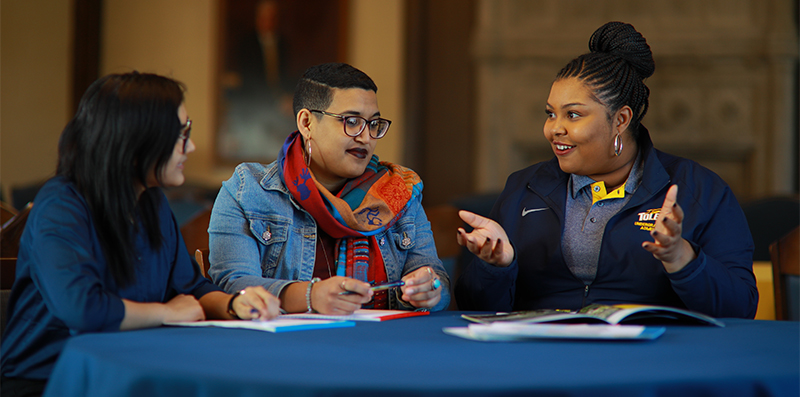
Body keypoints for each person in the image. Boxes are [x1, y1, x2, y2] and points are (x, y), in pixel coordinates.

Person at [0, 72, 280, 396]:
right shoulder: (61, 204)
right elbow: (82, 308)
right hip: (50, 381)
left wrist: (236, 305)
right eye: (180, 134)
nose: (191, 146)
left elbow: (192, 287)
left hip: (130, 371)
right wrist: (166, 312)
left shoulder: (151, 201)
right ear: (134, 140)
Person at [454, 22, 758, 319]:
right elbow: (472, 309)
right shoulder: (524, 188)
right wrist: (495, 266)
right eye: (550, 114)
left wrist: (682, 259)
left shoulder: (700, 189)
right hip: (543, 356)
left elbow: (740, 309)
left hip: (652, 357)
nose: (553, 129)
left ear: (621, 120)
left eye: (573, 115)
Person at [208, 62, 449, 314]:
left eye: (374, 124)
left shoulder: (398, 192)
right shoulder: (249, 191)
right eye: (352, 121)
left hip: (382, 344)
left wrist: (430, 289)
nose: (366, 137)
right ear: (307, 123)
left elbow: (437, 278)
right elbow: (232, 285)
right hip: (287, 347)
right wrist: (310, 296)